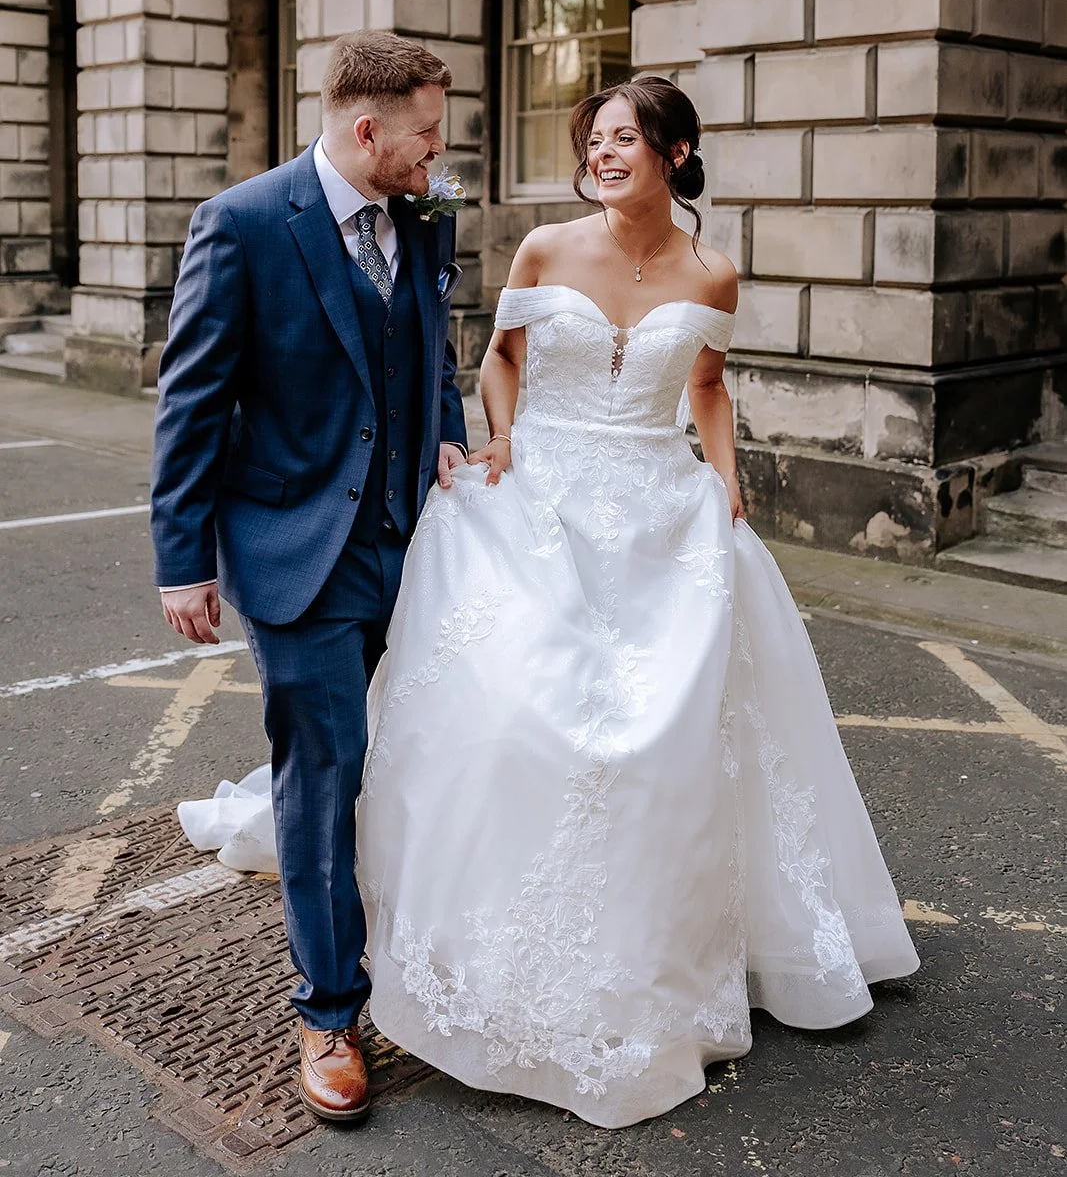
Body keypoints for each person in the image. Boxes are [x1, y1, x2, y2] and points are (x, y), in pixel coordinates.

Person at [180, 75, 919, 1130]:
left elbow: (704, 384)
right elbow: (497, 361)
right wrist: (501, 442)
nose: (603, 153)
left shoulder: (713, 269)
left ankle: (663, 939)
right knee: (531, 720)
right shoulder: (542, 250)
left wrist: (727, 474)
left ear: (673, 151)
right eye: (593, 139)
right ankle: (401, 969)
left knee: (670, 740)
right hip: (540, 501)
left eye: (623, 137)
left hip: (663, 512)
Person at [151, 30, 468, 1125]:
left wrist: (445, 437)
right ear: (364, 128)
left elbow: (430, 345)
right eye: (425, 133)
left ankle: (421, 949)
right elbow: (191, 400)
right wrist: (181, 557)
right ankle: (329, 1009)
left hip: (414, 539)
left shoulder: (426, 212)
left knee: (428, 755)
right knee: (324, 772)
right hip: (297, 552)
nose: (438, 153)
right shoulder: (240, 225)